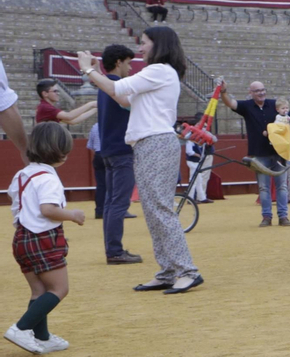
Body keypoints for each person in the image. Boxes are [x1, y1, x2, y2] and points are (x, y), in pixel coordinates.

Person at [76, 27, 203, 294]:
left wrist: (89, 71)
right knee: (154, 210)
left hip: (155, 142)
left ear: (159, 45)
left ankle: (187, 270)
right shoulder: (158, 73)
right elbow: (122, 98)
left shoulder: (158, 70)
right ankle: (169, 270)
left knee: (160, 210)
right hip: (150, 143)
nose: (140, 48)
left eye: (144, 43)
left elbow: (116, 87)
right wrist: (98, 74)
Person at [6, 121, 83, 354]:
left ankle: (42, 336)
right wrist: (73, 215)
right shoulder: (49, 179)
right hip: (43, 238)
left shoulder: (22, 174)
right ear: (59, 152)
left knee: (38, 291)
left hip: (21, 238)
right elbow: (48, 210)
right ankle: (22, 328)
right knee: (59, 289)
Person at [220, 78, 290, 227]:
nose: (261, 93)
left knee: (282, 186)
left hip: (279, 152)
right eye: (257, 91)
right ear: (250, 93)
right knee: (264, 188)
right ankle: (267, 217)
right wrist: (224, 92)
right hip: (259, 154)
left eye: (262, 90)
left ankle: (283, 216)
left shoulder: (275, 104)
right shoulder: (247, 106)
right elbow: (230, 103)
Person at [95, 43, 142, 264]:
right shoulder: (118, 86)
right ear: (118, 62)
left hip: (108, 149)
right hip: (122, 150)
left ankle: (112, 248)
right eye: (128, 62)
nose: (130, 68)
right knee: (119, 204)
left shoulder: (104, 86)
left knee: (111, 202)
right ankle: (114, 251)